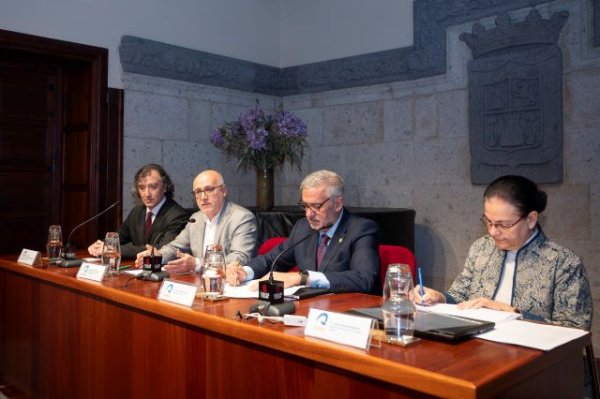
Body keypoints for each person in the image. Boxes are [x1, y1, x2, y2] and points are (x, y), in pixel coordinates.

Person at [415, 175, 592, 330]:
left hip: (534, 360)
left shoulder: (563, 263)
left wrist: (509, 311)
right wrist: (439, 297)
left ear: (531, 219)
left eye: (503, 225)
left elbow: (574, 330)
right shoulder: (482, 248)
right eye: (488, 222)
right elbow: (461, 295)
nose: (492, 232)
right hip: (477, 349)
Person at [226, 169, 380, 294]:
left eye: (316, 206)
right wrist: (245, 272)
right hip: (307, 311)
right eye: (305, 206)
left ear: (337, 203)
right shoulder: (303, 228)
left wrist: (302, 278)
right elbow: (271, 260)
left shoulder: (361, 229)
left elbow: (363, 279)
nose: (308, 214)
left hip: (344, 316)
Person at [135, 169, 257, 273]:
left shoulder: (242, 218)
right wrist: (159, 256)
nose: (203, 197)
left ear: (223, 191)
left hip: (229, 284)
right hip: (198, 283)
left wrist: (198, 264)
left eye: (209, 189)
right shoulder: (196, 219)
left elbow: (241, 257)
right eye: (198, 192)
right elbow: (175, 247)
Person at [88, 164, 189, 259]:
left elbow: (163, 249)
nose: (146, 193)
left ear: (165, 187)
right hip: (137, 268)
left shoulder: (178, 215)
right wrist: (102, 245)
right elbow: (119, 237)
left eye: (153, 187)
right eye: (141, 187)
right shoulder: (137, 212)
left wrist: (111, 250)